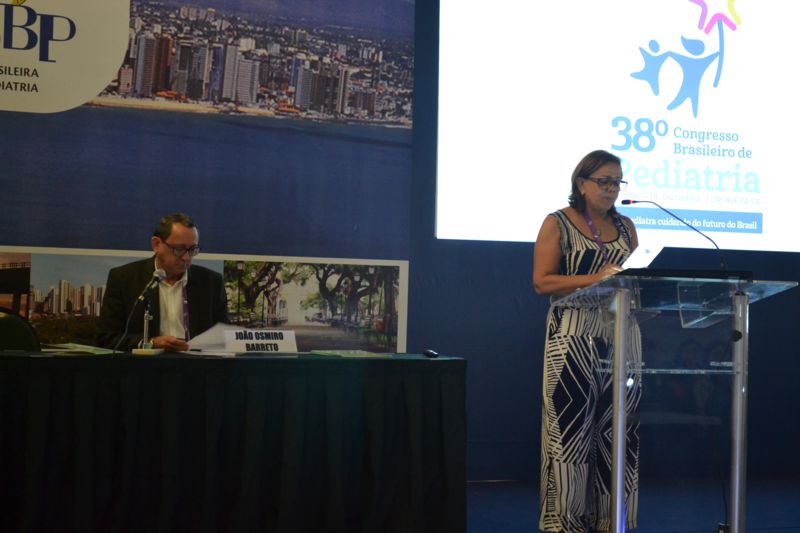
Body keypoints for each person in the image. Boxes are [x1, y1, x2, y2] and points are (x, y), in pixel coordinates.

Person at [532, 149, 641, 532]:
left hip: (621, 334)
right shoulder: (558, 223)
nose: (612, 189)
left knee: (618, 434)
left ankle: (613, 522)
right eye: (604, 181)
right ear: (582, 183)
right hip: (573, 336)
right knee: (570, 435)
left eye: (617, 182)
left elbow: (632, 278)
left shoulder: (627, 228)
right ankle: (566, 524)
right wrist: (596, 279)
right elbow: (542, 282)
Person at [96, 212, 228, 351]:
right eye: (179, 249)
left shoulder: (211, 283)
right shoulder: (124, 278)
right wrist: (151, 343)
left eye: (192, 249)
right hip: (146, 363)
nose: (186, 257)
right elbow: (106, 338)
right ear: (157, 244)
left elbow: (224, 338)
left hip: (197, 362)